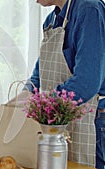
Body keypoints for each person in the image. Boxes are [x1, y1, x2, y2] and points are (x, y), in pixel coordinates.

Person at [22, 0, 105, 168]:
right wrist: (10, 108)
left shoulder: (89, 10)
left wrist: (38, 108)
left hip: (94, 122)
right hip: (61, 118)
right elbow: (37, 78)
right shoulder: (51, 21)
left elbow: (86, 83)